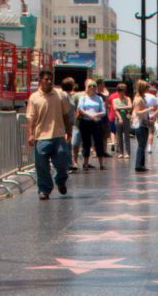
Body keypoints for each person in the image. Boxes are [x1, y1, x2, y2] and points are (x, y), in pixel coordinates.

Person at [26, 70, 71, 200]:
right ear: (40, 81)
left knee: (62, 164)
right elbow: (30, 118)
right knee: (42, 167)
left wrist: (69, 130)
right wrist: (30, 134)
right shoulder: (34, 98)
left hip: (58, 135)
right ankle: (44, 190)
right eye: (46, 79)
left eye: (51, 79)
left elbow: (65, 114)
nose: (49, 81)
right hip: (41, 137)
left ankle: (60, 180)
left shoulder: (60, 95)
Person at [77, 79, 106, 171]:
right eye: (90, 86)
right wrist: (89, 115)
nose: (92, 87)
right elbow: (80, 109)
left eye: (94, 86)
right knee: (86, 143)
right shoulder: (83, 98)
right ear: (86, 88)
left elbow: (104, 111)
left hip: (97, 122)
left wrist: (96, 115)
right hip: (85, 122)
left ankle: (101, 163)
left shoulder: (99, 98)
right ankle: (85, 163)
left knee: (99, 142)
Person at [132, 80, 153, 172]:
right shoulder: (139, 99)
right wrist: (149, 109)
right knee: (141, 144)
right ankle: (139, 164)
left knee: (142, 144)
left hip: (143, 123)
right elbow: (138, 112)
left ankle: (141, 164)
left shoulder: (141, 98)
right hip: (139, 124)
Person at [60, 77, 77, 172]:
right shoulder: (64, 95)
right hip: (65, 124)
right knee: (66, 144)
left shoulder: (68, 95)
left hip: (69, 124)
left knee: (68, 144)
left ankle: (69, 163)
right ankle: (67, 164)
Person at [113, 83, 132, 159]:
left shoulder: (128, 99)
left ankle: (128, 152)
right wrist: (120, 117)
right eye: (122, 91)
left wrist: (120, 107)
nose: (123, 92)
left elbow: (130, 106)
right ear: (118, 91)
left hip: (126, 119)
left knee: (127, 136)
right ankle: (121, 152)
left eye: (124, 91)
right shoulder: (115, 100)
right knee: (119, 136)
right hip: (118, 119)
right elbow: (115, 109)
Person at [96, 79, 112, 158]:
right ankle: (96, 151)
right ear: (98, 85)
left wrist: (106, 96)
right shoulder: (96, 95)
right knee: (97, 135)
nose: (104, 86)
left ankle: (104, 151)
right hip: (97, 117)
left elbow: (106, 107)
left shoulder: (104, 94)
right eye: (102, 84)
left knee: (105, 135)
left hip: (104, 117)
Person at [144, 87, 158, 154]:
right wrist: (155, 116)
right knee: (151, 132)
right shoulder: (154, 97)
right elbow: (157, 108)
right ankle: (149, 147)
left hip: (142, 116)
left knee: (143, 132)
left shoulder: (142, 96)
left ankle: (142, 146)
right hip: (151, 117)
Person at [108, 87, 120, 153]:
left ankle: (113, 142)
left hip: (111, 115)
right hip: (119, 116)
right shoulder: (123, 96)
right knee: (118, 131)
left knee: (112, 131)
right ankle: (118, 147)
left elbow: (109, 105)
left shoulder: (111, 95)